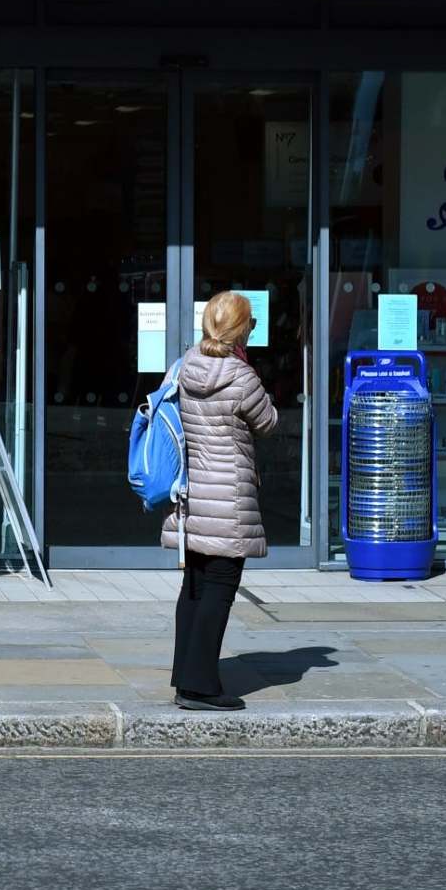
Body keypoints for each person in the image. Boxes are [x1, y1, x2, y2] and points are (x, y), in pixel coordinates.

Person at [166, 289, 278, 711]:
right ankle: (199, 686)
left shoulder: (188, 364)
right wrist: (247, 368)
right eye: (250, 323)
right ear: (239, 331)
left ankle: (184, 672)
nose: (253, 329)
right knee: (220, 586)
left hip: (194, 493)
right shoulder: (240, 376)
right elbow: (267, 421)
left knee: (194, 583)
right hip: (229, 495)